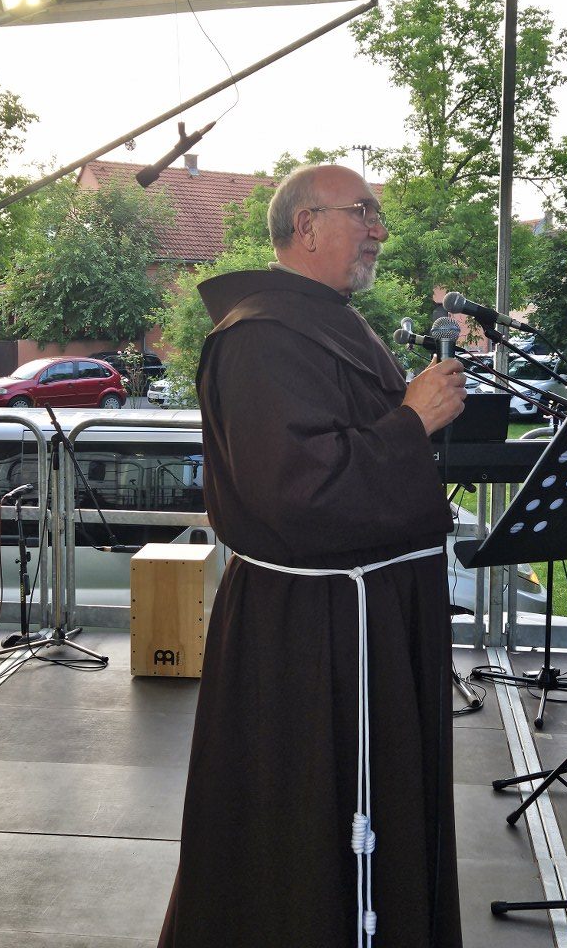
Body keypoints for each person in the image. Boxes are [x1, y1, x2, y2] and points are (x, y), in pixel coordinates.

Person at [158, 164, 467, 948]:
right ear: (306, 227)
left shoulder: (327, 320)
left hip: (360, 619)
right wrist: (412, 422)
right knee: (300, 834)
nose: (379, 230)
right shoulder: (262, 335)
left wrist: (417, 420)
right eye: (364, 212)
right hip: (310, 630)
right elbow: (297, 492)